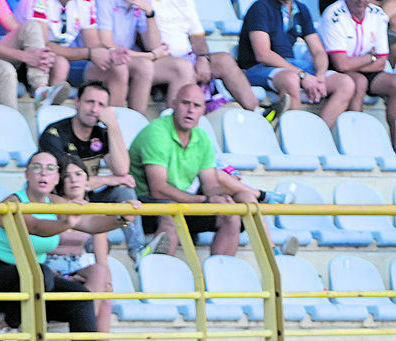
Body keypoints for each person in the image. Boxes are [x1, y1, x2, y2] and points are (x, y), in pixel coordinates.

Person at [0, 148, 129, 341]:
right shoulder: (12, 202)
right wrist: (65, 223)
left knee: (79, 297)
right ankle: (5, 331)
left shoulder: (56, 203)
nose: (43, 173)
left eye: (51, 169)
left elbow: (91, 222)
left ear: (57, 179)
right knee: (41, 273)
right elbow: (35, 227)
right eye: (37, 167)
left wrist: (123, 216)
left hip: (33, 283)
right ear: (27, 173)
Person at [128, 84, 256, 258]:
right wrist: (205, 200)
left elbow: (210, 183)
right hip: (143, 206)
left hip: (183, 202)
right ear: (173, 104)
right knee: (171, 213)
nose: (190, 110)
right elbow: (158, 190)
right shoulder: (156, 133)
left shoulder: (202, 137)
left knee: (231, 215)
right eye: (185, 103)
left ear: (203, 110)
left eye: (196, 106)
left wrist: (221, 198)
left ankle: (220, 279)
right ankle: (161, 279)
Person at [38, 78, 145, 259]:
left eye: (101, 105)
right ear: (77, 102)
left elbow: (122, 169)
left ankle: (138, 251)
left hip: (87, 199)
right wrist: (107, 179)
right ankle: (92, 249)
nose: (95, 109)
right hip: (58, 201)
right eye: (89, 102)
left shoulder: (101, 134)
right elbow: (67, 181)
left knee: (123, 191)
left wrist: (113, 125)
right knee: (92, 196)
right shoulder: (54, 134)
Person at [53, 155, 128, 341]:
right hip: (50, 269)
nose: (73, 180)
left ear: (87, 180)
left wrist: (106, 286)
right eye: (67, 176)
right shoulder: (51, 203)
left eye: (79, 174)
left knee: (102, 279)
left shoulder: (93, 209)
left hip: (75, 269)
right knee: (100, 298)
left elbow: (101, 260)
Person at [236, 0, 353, 127]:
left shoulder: (301, 9)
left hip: (289, 65)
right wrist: (302, 75)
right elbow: (263, 54)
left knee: (345, 83)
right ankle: (293, 135)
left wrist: (320, 76)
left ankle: (318, 134)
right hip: (257, 68)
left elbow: (318, 51)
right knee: (291, 79)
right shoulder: (260, 7)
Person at [131, 0, 261, 111]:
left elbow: (197, 36)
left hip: (186, 57)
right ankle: (174, 124)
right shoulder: (144, 3)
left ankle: (257, 113)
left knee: (224, 60)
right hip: (155, 59)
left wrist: (203, 58)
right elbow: (147, 44)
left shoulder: (185, 2)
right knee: (183, 67)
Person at [319, 0, 396, 146]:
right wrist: (369, 57)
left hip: (364, 68)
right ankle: (355, 143)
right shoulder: (333, 14)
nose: (361, 1)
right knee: (359, 82)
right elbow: (341, 64)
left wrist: (355, 63)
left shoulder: (378, 14)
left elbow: (382, 62)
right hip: (335, 69)